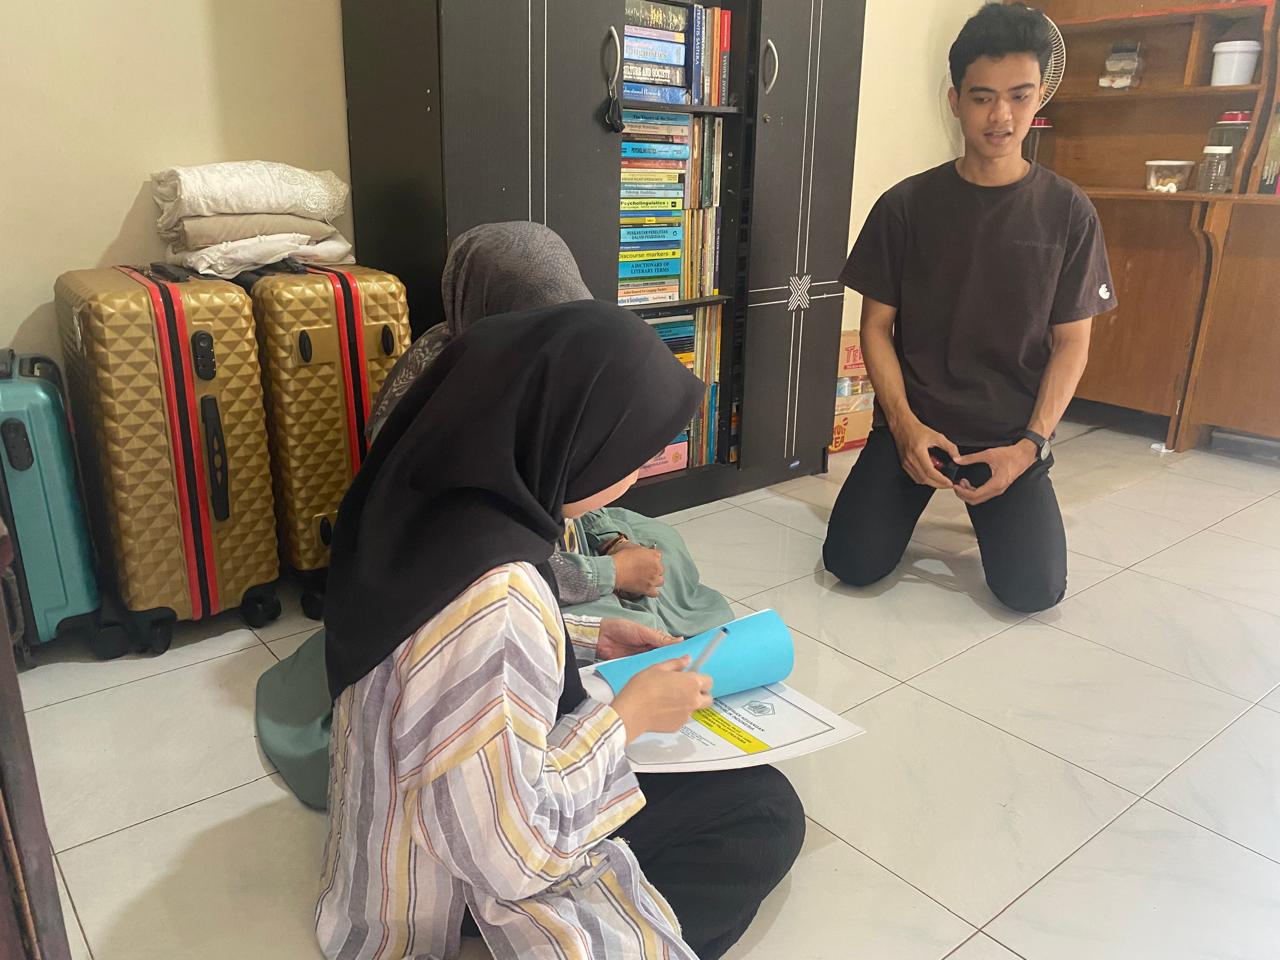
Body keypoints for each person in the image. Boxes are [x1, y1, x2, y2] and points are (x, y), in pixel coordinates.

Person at [315, 300, 804, 960]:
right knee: (763, 811)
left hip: (396, 842)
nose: (640, 470)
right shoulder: (496, 596)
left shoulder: (423, 515)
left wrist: (587, 639)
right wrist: (625, 720)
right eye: (631, 450)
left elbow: (432, 659)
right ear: (570, 441)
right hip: (455, 888)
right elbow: (509, 853)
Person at [254, 223, 732, 810]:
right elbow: (510, 829)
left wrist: (605, 560)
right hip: (489, 592)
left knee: (657, 543)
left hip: (529, 547)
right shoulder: (493, 582)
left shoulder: (542, 385)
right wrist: (610, 591)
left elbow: (560, 482)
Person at [822, 2, 1115, 613]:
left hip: (1010, 435)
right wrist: (904, 427)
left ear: (1039, 98)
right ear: (955, 100)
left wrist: (1029, 446)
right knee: (851, 563)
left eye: (1019, 96)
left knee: (1034, 592)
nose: (1001, 116)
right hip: (916, 424)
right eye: (983, 97)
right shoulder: (905, 206)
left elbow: (1072, 343)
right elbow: (875, 327)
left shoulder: (1068, 212)